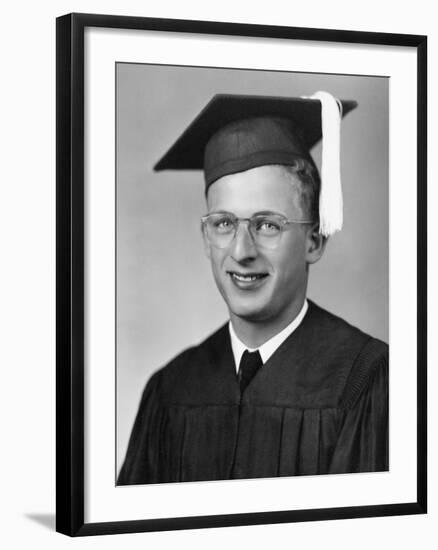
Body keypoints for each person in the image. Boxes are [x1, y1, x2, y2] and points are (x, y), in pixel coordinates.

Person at [118, 92, 388, 485]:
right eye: (224, 223)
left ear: (314, 240)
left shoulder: (365, 380)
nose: (242, 251)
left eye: (268, 225)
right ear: (206, 237)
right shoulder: (170, 389)